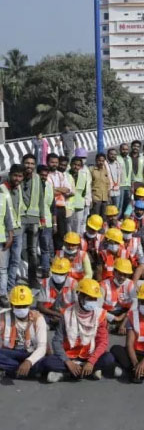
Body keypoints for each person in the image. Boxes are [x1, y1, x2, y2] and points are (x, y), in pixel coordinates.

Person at [44, 279, 115, 382]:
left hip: (89, 356)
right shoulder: (67, 313)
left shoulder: (100, 315)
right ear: (80, 296)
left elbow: (103, 342)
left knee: (109, 358)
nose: (92, 301)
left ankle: (66, 375)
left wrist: (91, 361)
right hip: (69, 356)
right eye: (89, 298)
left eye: (94, 299)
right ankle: (87, 372)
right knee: (48, 362)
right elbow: (56, 341)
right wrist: (68, 362)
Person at [0, 286, 47, 379]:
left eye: (24, 306)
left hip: (30, 352)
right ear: (11, 305)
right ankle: (27, 372)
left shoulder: (38, 318)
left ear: (29, 305)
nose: (21, 309)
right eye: (18, 306)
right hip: (10, 352)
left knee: (49, 361)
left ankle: (9, 371)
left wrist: (29, 361)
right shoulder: (3, 317)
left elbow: (42, 347)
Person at [20, 154, 45, 285]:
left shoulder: (37, 179)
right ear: (22, 163)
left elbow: (41, 199)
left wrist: (42, 217)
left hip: (34, 220)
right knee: (16, 250)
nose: (29, 166)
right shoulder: (17, 177)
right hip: (19, 220)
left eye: (31, 163)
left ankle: (32, 279)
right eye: (27, 163)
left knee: (33, 251)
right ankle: (11, 280)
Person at [1, 164, 24, 299]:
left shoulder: (19, 188)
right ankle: (3, 292)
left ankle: (9, 288)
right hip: (5, 233)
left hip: (18, 230)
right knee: (3, 265)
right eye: (15, 175)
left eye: (20, 176)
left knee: (15, 261)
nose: (17, 178)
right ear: (10, 175)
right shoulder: (2, 189)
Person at [48, 153, 73, 251]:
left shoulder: (61, 175)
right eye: (52, 162)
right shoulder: (45, 175)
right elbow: (49, 193)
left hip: (61, 208)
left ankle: (59, 255)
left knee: (61, 233)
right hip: (49, 208)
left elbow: (68, 190)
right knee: (50, 234)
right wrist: (60, 189)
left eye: (56, 162)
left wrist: (55, 189)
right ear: (47, 162)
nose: (54, 164)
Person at [90, 153, 110, 218]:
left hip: (105, 198)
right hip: (96, 198)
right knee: (95, 217)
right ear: (96, 160)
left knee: (104, 217)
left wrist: (108, 196)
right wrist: (92, 198)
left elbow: (108, 184)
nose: (101, 162)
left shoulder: (105, 170)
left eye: (103, 161)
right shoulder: (92, 170)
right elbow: (89, 185)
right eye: (99, 160)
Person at [117, 143, 132, 216]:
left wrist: (132, 185)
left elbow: (130, 172)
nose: (125, 151)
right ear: (120, 150)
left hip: (128, 185)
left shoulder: (129, 159)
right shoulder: (117, 158)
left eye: (126, 149)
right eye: (123, 149)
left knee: (126, 204)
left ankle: (124, 219)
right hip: (120, 186)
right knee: (119, 205)